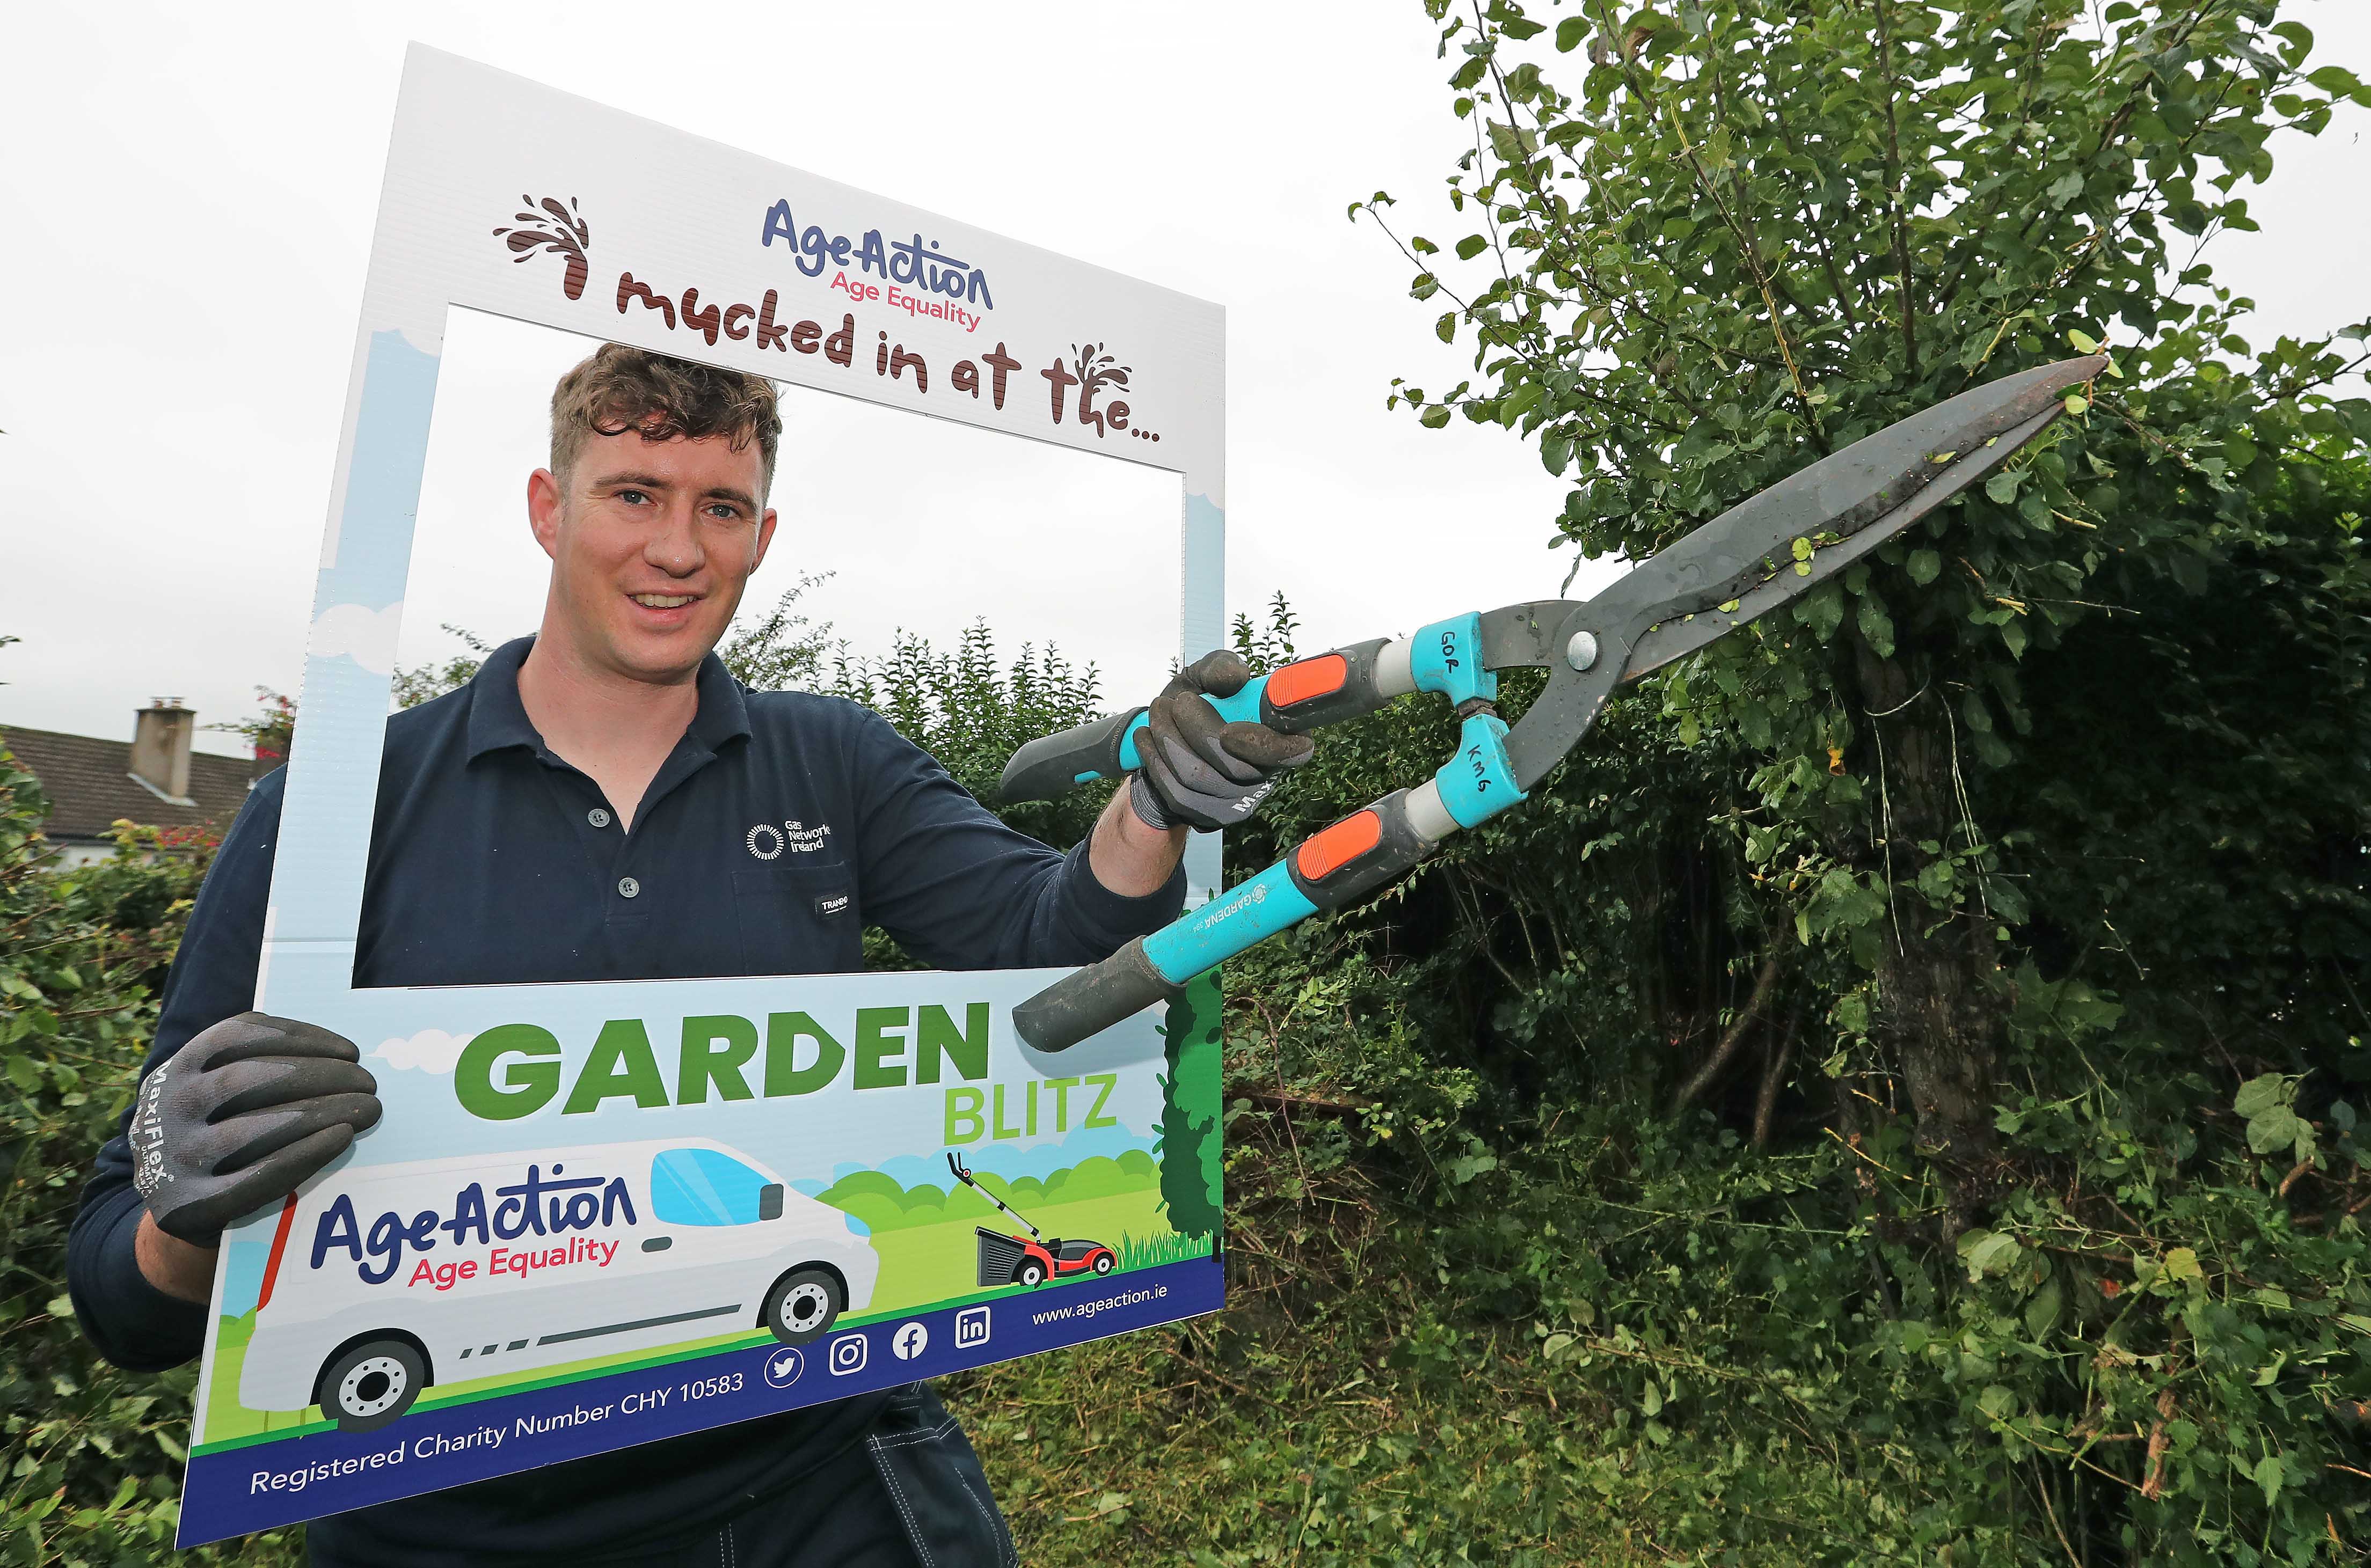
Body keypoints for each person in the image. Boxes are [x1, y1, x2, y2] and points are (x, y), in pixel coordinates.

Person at [67, 345, 1312, 1567]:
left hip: (825, 1474)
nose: (678, 549)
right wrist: (194, 1212)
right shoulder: (337, 809)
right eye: (633, 495)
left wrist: (1154, 807)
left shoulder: (835, 761)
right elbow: (122, 1292)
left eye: (722, 506)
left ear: (764, 535)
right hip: (442, 1526)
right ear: (549, 509)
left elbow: (1048, 951)